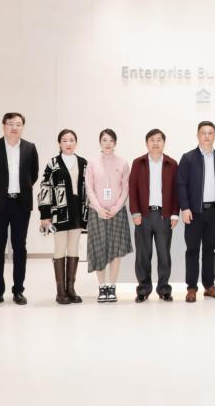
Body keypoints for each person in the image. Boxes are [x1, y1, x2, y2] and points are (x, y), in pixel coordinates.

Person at [0, 112, 39, 307]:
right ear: (4, 126)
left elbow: (33, 174)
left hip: (21, 204)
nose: (14, 127)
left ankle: (18, 291)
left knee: (20, 247)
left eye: (18, 124)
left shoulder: (30, 148)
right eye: (10, 123)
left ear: (23, 127)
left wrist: (22, 189)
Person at [177, 121, 215, 303]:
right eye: (203, 133)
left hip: (213, 212)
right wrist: (185, 208)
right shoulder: (188, 158)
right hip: (194, 213)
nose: (207, 136)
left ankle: (209, 286)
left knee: (209, 249)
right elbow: (181, 184)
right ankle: (191, 288)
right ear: (198, 135)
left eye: (210, 133)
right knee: (192, 250)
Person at [37, 129, 89, 305]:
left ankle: (71, 289)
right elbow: (45, 187)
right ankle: (60, 291)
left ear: (76, 143)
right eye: (64, 140)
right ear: (59, 143)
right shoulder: (53, 163)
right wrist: (45, 214)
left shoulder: (83, 163)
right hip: (59, 213)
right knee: (60, 248)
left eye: (71, 140)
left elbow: (88, 188)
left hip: (77, 212)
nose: (68, 143)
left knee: (74, 248)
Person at [129, 129, 180, 303]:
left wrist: (175, 214)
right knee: (143, 255)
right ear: (147, 143)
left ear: (164, 143)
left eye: (159, 140)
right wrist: (135, 212)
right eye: (152, 140)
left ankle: (164, 289)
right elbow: (132, 188)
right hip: (143, 215)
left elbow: (176, 191)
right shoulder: (139, 163)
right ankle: (143, 289)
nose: (155, 143)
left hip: (164, 215)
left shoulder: (172, 164)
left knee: (164, 255)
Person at [85, 129, 133, 303]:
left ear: (115, 143)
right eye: (104, 140)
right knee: (99, 249)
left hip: (117, 212)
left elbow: (126, 188)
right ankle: (102, 287)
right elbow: (89, 188)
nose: (107, 143)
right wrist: (99, 208)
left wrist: (116, 208)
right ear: (100, 142)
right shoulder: (92, 163)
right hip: (96, 212)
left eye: (111, 140)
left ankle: (112, 286)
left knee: (116, 250)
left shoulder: (123, 163)